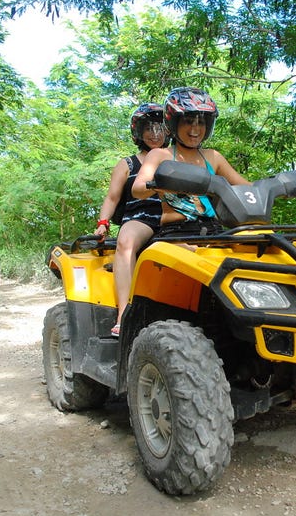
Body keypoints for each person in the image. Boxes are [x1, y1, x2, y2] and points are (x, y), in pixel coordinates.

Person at [132, 87, 250, 238]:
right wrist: (165, 182)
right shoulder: (159, 155)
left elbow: (246, 187)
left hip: (215, 231)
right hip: (176, 232)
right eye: (188, 121)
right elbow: (138, 189)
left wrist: (276, 186)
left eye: (201, 122)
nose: (195, 128)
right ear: (173, 123)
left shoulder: (213, 156)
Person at [94, 103, 169, 337]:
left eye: (161, 128)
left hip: (178, 218)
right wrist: (103, 223)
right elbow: (112, 197)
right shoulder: (127, 164)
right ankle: (124, 313)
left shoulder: (178, 159)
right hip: (143, 217)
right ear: (138, 132)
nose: (155, 134)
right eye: (149, 128)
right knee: (125, 241)